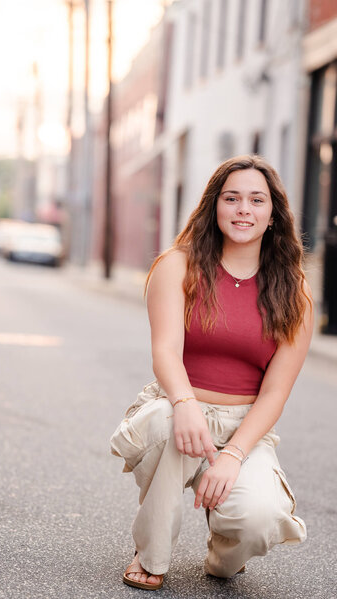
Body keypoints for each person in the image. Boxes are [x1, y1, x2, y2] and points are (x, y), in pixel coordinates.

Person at [110, 155, 313, 591]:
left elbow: (275, 393)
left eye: (257, 200)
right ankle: (152, 553)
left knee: (259, 520)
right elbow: (164, 351)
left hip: (244, 425)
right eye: (232, 198)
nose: (244, 209)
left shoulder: (294, 293)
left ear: (273, 214)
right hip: (175, 406)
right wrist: (185, 404)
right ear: (213, 207)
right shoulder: (177, 266)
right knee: (169, 423)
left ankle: (224, 554)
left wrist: (234, 455)